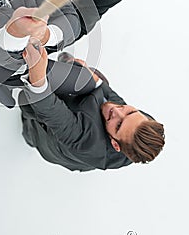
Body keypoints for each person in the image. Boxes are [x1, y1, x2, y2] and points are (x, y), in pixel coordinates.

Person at [19, 42, 165, 171]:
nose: (117, 110)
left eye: (119, 124)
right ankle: (70, 67)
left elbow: (49, 108)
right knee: (92, 79)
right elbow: (110, 96)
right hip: (87, 123)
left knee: (35, 108)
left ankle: (29, 132)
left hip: (55, 143)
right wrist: (90, 78)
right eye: (130, 112)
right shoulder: (140, 125)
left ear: (115, 144)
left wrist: (37, 73)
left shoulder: (87, 142)